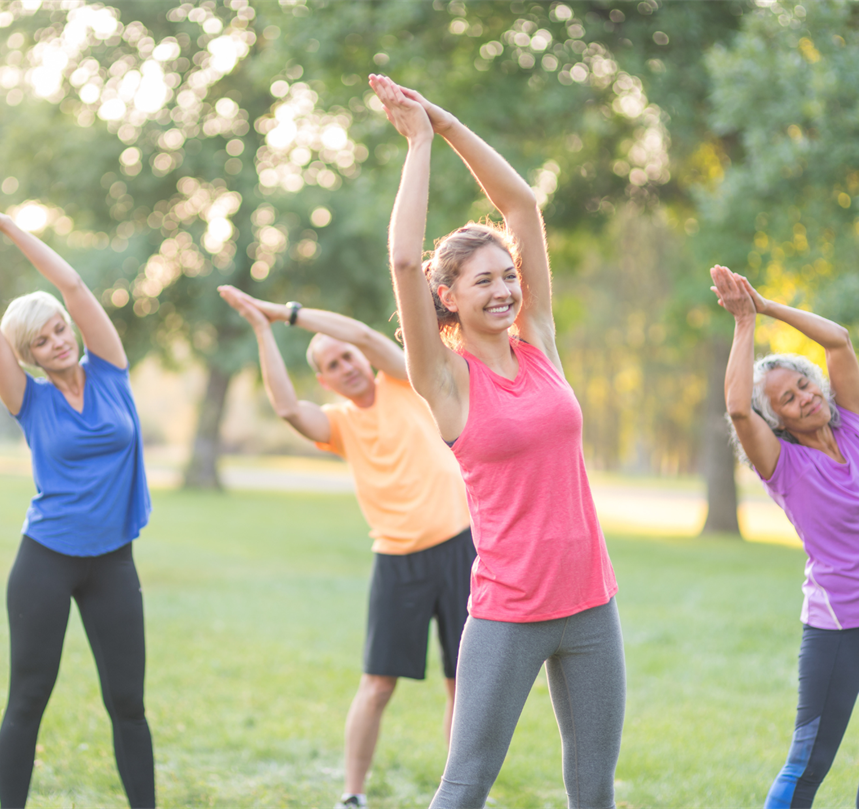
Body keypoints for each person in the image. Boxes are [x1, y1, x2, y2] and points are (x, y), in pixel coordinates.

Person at [369, 74, 624, 809]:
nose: (505, 289)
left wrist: (447, 120)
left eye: (509, 275)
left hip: (591, 604)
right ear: (447, 296)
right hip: (510, 609)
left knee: (593, 787)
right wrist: (418, 144)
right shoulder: (444, 380)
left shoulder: (538, 341)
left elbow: (521, 206)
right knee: (465, 784)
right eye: (484, 281)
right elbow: (403, 259)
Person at [219, 284, 474, 809]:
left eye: (348, 356)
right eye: (333, 365)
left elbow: (358, 331)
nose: (347, 365)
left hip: (457, 546)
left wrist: (288, 313)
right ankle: (352, 796)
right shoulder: (338, 425)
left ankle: (465, 796)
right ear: (326, 379)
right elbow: (288, 407)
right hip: (396, 561)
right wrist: (264, 330)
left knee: (462, 684)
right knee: (377, 685)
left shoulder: (407, 382)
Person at [0, 177, 154, 809]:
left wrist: (7, 223)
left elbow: (74, 284)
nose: (60, 340)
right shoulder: (28, 400)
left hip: (113, 562)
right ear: (30, 355)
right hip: (46, 561)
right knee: (28, 700)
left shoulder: (112, 369)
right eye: (43, 339)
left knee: (127, 703)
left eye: (61, 329)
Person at [710, 265, 859, 809]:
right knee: (809, 763)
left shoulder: (856, 425)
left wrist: (767, 305)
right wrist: (745, 322)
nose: (805, 398)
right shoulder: (783, 465)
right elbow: (738, 407)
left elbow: (837, 339)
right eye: (789, 400)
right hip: (840, 628)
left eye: (804, 384)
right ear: (781, 422)